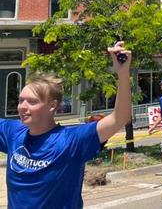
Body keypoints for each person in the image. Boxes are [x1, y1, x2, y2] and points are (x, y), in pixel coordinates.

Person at [0, 42, 132, 208]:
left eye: (32, 102)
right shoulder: (12, 132)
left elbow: (119, 118)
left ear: (52, 105)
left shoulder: (71, 141)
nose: (22, 107)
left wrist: (123, 72)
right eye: (21, 100)